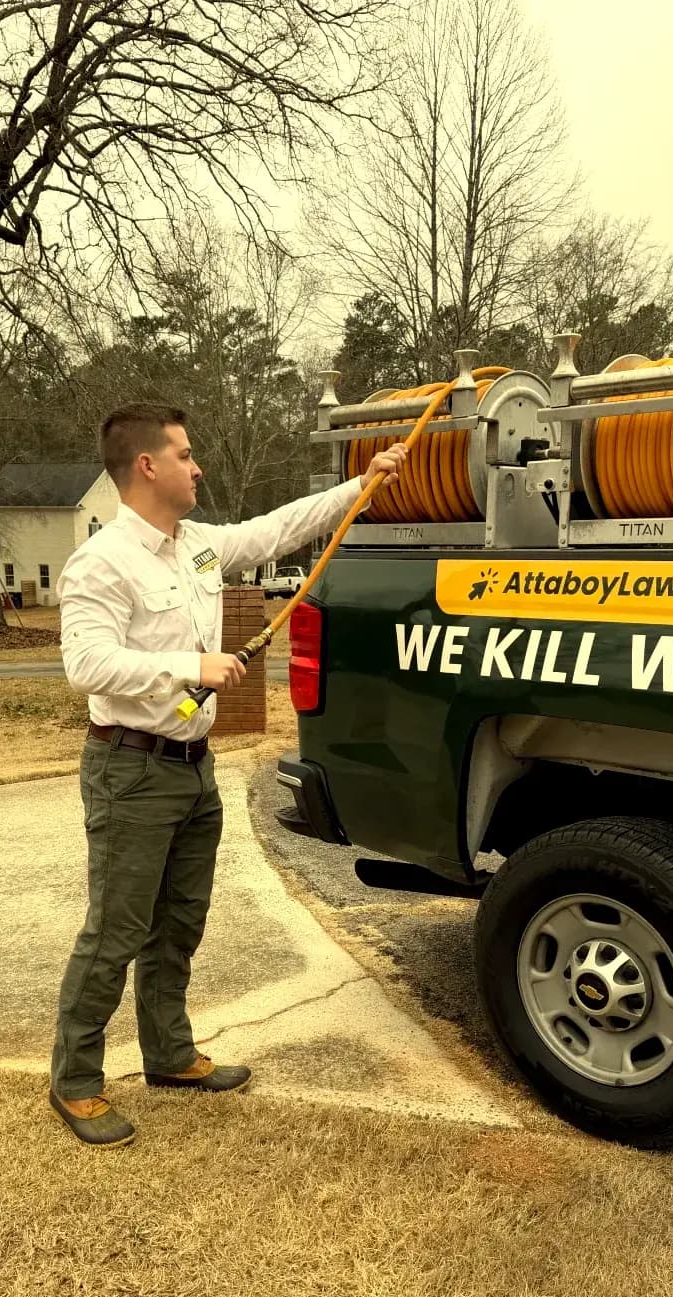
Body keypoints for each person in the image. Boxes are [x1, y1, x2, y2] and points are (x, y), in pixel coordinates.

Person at [49, 403, 408, 1146]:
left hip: (192, 768)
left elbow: (276, 528)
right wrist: (192, 666)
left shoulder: (200, 547)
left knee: (179, 923)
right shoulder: (102, 561)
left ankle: (169, 1056)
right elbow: (86, 665)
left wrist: (360, 485)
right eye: (185, 454)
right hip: (130, 771)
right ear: (147, 465)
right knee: (117, 931)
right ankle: (76, 1080)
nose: (197, 466)